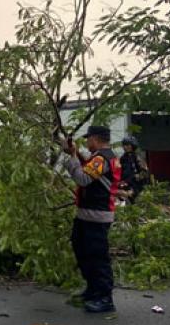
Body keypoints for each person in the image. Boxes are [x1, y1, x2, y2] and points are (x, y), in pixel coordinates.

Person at [63, 125, 122, 314]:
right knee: (81, 249)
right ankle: (92, 289)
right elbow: (87, 167)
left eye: (88, 139)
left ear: (95, 139)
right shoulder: (100, 157)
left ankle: (105, 298)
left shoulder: (102, 158)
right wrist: (74, 153)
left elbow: (82, 178)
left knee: (97, 256)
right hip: (86, 215)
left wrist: (71, 157)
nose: (87, 142)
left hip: (97, 216)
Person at [119, 135, 150, 204]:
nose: (125, 147)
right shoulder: (123, 158)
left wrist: (135, 178)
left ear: (133, 145)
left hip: (137, 187)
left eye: (127, 145)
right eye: (124, 145)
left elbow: (145, 172)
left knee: (137, 205)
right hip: (125, 185)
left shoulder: (137, 157)